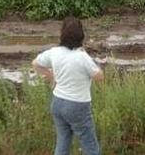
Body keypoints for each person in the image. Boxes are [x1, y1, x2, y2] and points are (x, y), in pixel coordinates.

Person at [33, 16, 104, 155]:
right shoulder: (82, 57)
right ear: (81, 36)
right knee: (90, 146)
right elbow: (99, 77)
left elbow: (35, 63)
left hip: (58, 102)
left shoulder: (54, 52)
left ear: (62, 34)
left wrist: (51, 77)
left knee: (63, 142)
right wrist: (94, 63)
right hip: (77, 105)